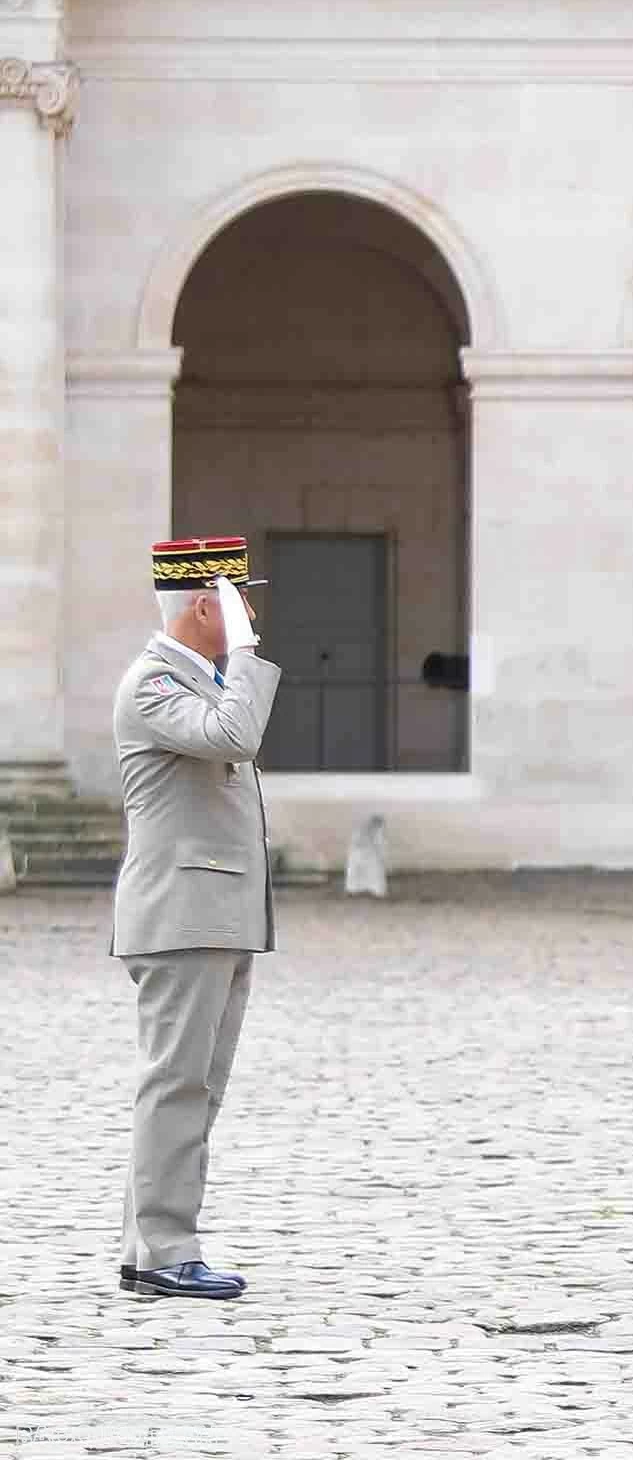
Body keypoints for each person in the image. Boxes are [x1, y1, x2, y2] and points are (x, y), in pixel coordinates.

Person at [111, 538, 282, 1301]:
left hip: (215, 914)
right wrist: (245, 656)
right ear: (208, 606)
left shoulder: (197, 679)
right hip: (183, 917)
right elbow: (235, 737)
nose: (254, 615)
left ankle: (149, 1242)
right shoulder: (154, 684)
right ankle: (163, 1250)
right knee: (177, 1085)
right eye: (243, 601)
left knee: (195, 1088)